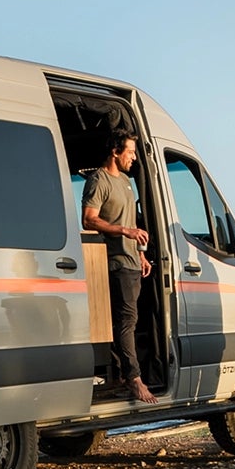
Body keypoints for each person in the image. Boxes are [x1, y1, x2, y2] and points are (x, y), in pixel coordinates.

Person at [82, 133, 155, 404]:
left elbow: (130, 221)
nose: (133, 157)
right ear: (115, 151)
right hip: (115, 263)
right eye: (131, 152)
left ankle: (122, 377)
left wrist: (141, 255)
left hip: (133, 261)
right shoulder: (98, 180)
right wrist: (123, 231)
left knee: (130, 322)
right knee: (126, 322)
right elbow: (89, 220)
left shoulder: (125, 181)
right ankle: (134, 379)